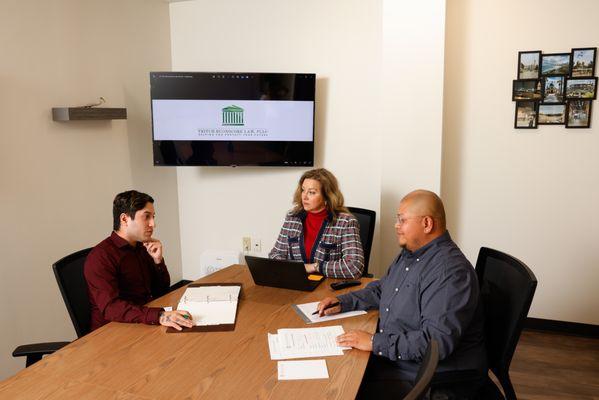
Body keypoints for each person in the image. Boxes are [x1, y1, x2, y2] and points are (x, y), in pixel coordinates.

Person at [316, 190, 486, 399]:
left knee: (342, 386)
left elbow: (435, 344)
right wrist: (344, 302)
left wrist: (374, 342)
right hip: (401, 358)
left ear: (427, 224)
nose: (396, 226)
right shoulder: (412, 254)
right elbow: (383, 289)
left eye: (402, 220)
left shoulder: (449, 272)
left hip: (430, 375)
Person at [84, 190, 193, 331]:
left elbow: (160, 291)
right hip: (112, 332)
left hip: (141, 321)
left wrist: (158, 262)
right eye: (146, 217)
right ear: (124, 219)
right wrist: (160, 316)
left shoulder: (141, 247)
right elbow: (111, 308)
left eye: (153, 217)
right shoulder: (100, 257)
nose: (153, 224)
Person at [269, 168, 364, 278]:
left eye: (311, 192)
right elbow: (275, 255)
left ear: (327, 196)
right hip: (296, 283)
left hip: (328, 286)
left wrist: (315, 267)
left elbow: (355, 266)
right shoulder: (292, 218)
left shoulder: (346, 222)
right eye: (303, 190)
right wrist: (295, 269)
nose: (304, 196)